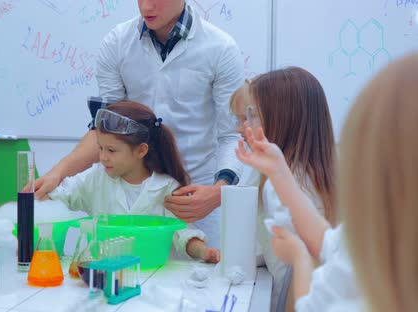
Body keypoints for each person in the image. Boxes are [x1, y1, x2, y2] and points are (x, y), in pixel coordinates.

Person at [32, 0, 245, 249]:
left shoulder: (221, 48)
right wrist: (57, 173)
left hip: (196, 196)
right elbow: (104, 127)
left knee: (200, 268)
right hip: (132, 190)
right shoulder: (117, 43)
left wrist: (218, 193)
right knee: (131, 274)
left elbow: (231, 135)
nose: (146, 6)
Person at [235, 53, 418, 311]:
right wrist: (279, 171)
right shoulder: (377, 236)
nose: (242, 127)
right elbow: (328, 241)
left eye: (250, 116)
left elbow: (311, 302)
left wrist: (300, 258)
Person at [47, 101, 219, 263]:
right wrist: (42, 190)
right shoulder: (96, 177)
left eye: (112, 150)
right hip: (104, 279)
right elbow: (60, 196)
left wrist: (204, 252)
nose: (103, 157)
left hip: (152, 281)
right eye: (100, 148)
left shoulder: (166, 188)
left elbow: (184, 234)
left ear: (141, 150)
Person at [229, 67, 336, 311]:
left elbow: (298, 263)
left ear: (282, 117)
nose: (240, 128)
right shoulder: (309, 175)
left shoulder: (283, 184)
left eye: (250, 116)